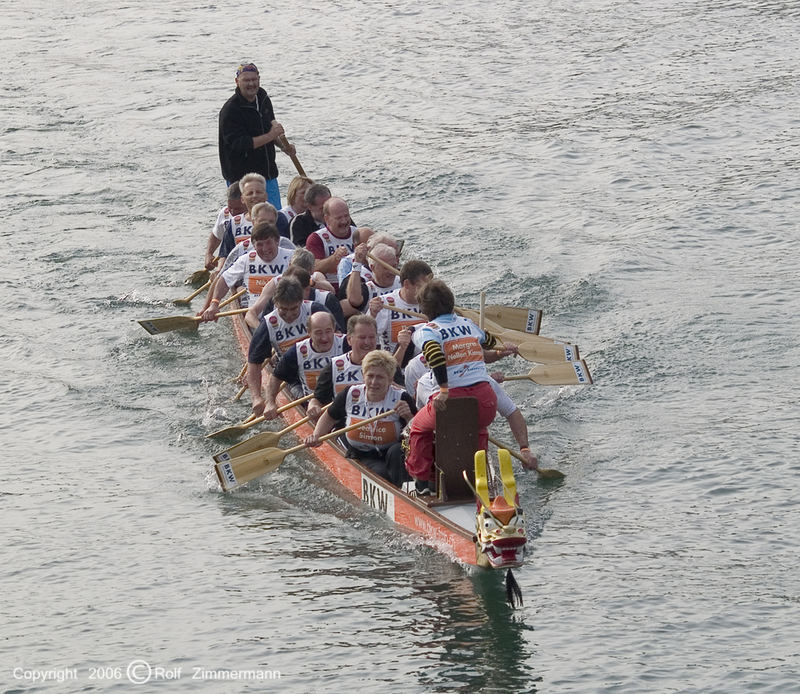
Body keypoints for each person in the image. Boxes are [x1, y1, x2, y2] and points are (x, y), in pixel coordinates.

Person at [404, 279, 505, 493]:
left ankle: (422, 483)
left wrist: (443, 390)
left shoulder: (426, 331)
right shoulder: (469, 324)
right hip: (486, 401)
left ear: (424, 309)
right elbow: (490, 341)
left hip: (453, 403)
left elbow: (435, 355)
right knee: (478, 429)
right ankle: (481, 481)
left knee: (418, 427)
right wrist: (503, 349)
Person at [305, 350, 415, 488]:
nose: (374, 382)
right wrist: (316, 435)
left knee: (397, 451)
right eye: (370, 376)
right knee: (380, 473)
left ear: (390, 379)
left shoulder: (402, 397)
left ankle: (406, 491)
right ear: (363, 376)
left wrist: (408, 416)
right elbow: (329, 418)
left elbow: (416, 429)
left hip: (391, 452)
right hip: (363, 453)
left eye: (380, 377)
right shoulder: (350, 394)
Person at [407, 355, 538, 471]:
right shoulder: (425, 382)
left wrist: (525, 449)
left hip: (467, 429)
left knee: (417, 427)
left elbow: (513, 412)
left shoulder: (485, 381)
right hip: (443, 435)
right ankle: (426, 480)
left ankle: (421, 476)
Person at [246, 278, 328, 416]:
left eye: (294, 309)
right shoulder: (268, 324)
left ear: (301, 302)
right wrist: (257, 398)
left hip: (325, 370)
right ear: (276, 303)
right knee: (310, 407)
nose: (289, 315)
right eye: (283, 309)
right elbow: (254, 363)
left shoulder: (316, 311)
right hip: (293, 376)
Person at [218, 62, 295, 209]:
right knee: (247, 221)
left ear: (259, 79)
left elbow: (270, 127)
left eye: (254, 79)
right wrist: (272, 134)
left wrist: (283, 146)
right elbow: (241, 144)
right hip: (241, 179)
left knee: (275, 217)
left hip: (267, 175)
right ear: (237, 81)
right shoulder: (230, 111)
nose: (251, 84)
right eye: (246, 80)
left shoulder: (262, 96)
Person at [260, 311, 348, 420]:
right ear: (309, 332)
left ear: (334, 328)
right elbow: (276, 378)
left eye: (328, 331)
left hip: (345, 403)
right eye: (319, 333)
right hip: (314, 406)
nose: (325, 338)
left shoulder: (347, 343)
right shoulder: (297, 351)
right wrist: (270, 403)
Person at [201, 221, 293, 318]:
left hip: (287, 316)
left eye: (268, 243)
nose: (265, 249)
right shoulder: (246, 260)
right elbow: (224, 280)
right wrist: (214, 304)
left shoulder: (292, 257)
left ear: (277, 241)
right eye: (260, 244)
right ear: (253, 245)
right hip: (255, 317)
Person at [244, 265, 345, 332]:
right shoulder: (276, 301)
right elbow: (264, 329)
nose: (288, 294)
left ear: (307, 289)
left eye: (294, 289)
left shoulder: (327, 300)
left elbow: (340, 333)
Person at [371, 259, 432, 365]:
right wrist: (373, 314)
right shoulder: (384, 304)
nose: (428, 292)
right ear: (407, 284)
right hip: (395, 366)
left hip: (427, 365)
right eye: (422, 287)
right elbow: (367, 336)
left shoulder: (432, 302)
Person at [305, 197, 357, 291]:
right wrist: (334, 258)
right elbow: (313, 268)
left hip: (357, 287)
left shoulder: (358, 233)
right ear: (327, 219)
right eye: (339, 218)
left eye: (346, 216)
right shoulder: (317, 238)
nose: (344, 221)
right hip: (331, 289)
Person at [342, 242, 401, 317]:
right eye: (386, 268)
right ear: (372, 268)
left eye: (394, 266)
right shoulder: (368, 289)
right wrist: (357, 262)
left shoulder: (404, 282)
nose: (391, 271)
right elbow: (354, 300)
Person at [204, 181, 246, 271]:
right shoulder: (225, 213)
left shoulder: (260, 215)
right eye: (230, 207)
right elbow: (216, 234)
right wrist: (209, 254)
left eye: (238, 209)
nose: (233, 212)